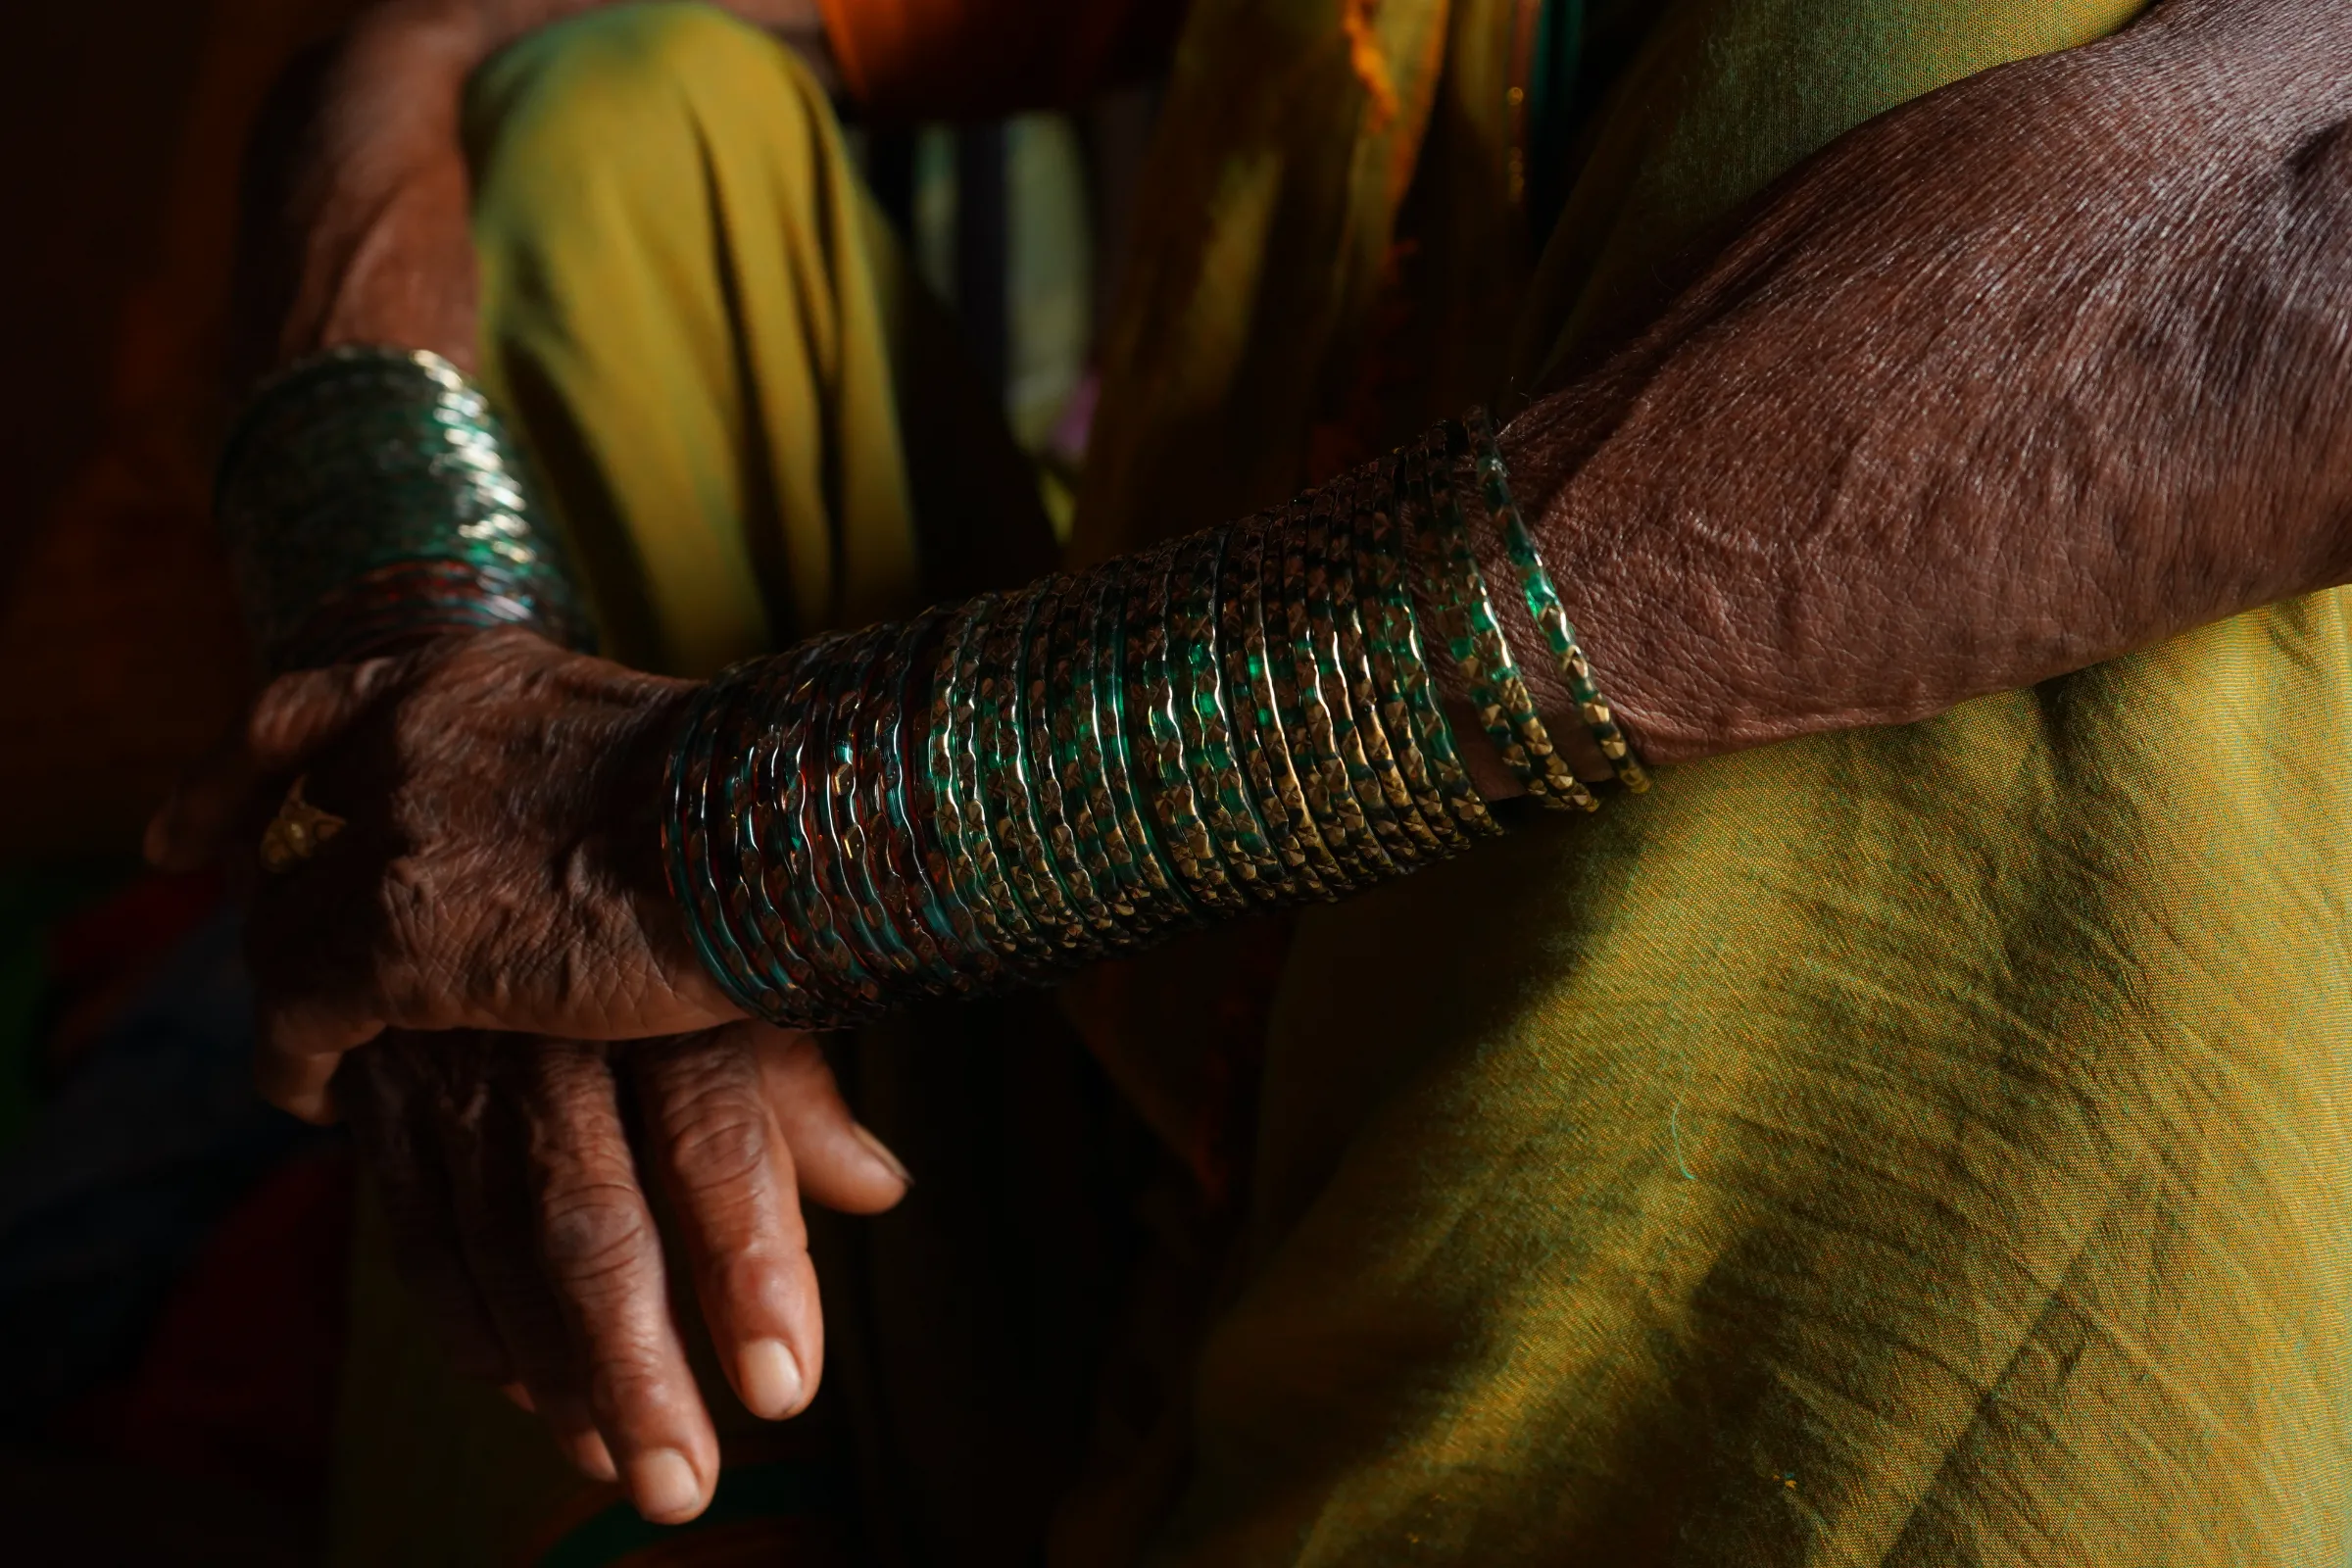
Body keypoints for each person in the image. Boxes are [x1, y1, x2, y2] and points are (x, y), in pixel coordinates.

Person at [150, 0, 2352, 1558]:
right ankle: (682, 1417)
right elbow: (428, 36)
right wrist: (415, 643)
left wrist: (703, 839)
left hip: (1776, 1277)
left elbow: (2299, 285)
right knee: (614, 113)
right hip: (1148, 1167)